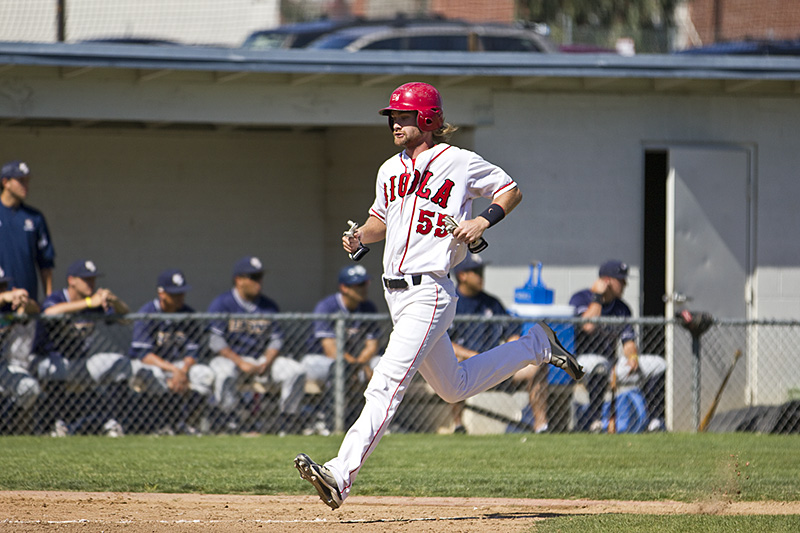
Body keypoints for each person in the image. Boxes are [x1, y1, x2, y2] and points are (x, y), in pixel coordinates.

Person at [295, 81, 584, 510]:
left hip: (429, 289)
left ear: (428, 119)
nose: (394, 122)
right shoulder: (388, 170)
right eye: (392, 115)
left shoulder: (460, 162)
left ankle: (340, 473)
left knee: (386, 383)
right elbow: (381, 221)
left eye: (403, 116)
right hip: (396, 293)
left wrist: (482, 222)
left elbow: (511, 190)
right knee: (454, 387)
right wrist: (359, 237)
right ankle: (536, 344)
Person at [448, 254, 550, 434]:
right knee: (452, 364)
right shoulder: (451, 303)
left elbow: (512, 331)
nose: (482, 276)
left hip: (495, 367)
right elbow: (444, 343)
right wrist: (472, 355)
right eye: (476, 272)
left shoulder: (491, 303)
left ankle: (541, 426)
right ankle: (458, 425)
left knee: (538, 364)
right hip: (468, 368)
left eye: (482, 271)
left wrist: (512, 348)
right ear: (462, 275)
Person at [206, 256, 305, 433]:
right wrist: (240, 362)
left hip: (261, 359)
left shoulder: (269, 306)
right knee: (224, 372)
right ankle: (228, 419)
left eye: (259, 277)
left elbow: (277, 339)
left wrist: (267, 360)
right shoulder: (222, 303)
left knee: (296, 371)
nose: (258, 282)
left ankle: (288, 420)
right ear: (239, 280)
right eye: (253, 277)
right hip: (231, 359)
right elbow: (216, 341)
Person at [41, 259, 132, 436]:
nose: (91, 283)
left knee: (122, 363)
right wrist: (89, 303)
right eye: (86, 279)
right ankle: (57, 424)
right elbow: (49, 313)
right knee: (55, 367)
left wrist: (114, 300)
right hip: (48, 363)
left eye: (93, 279)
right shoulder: (59, 298)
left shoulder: (94, 303)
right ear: (71, 280)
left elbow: (126, 318)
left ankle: (114, 424)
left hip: (81, 365)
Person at [128, 269, 214, 435]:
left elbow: (193, 352)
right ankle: (160, 424)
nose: (180, 297)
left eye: (182, 293)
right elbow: (144, 355)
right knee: (154, 375)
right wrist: (173, 370)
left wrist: (182, 370)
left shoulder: (188, 314)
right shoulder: (147, 312)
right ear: (162, 294)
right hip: (154, 365)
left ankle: (188, 423)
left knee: (204, 374)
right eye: (175, 294)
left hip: (179, 366)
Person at [300, 264, 382, 434]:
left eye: (365, 283)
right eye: (358, 285)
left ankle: (381, 422)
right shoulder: (327, 306)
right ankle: (327, 420)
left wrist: (360, 364)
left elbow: (372, 345)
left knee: (382, 365)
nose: (363, 289)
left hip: (354, 362)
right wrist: (358, 365)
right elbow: (331, 350)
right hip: (318, 361)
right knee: (337, 368)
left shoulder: (368, 308)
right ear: (344, 287)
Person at [569, 260, 639, 432]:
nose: (625, 284)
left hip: (611, 363)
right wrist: (598, 298)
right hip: (579, 361)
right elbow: (588, 326)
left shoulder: (622, 308)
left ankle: (655, 420)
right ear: (607, 281)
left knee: (657, 365)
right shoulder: (580, 298)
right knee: (598, 365)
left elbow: (628, 341)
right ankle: (595, 420)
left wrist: (633, 357)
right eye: (621, 280)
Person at [0, 160, 56, 302]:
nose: (26, 186)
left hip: (27, 301)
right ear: (5, 182)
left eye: (27, 181)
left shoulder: (35, 217)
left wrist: (49, 298)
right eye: (20, 181)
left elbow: (45, 262)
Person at [0, 265, 42, 432]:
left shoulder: (9, 308)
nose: (3, 289)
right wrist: (5, 296)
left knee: (29, 388)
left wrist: (24, 300)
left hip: (3, 368)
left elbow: (36, 309)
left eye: (4, 286)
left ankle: (6, 425)